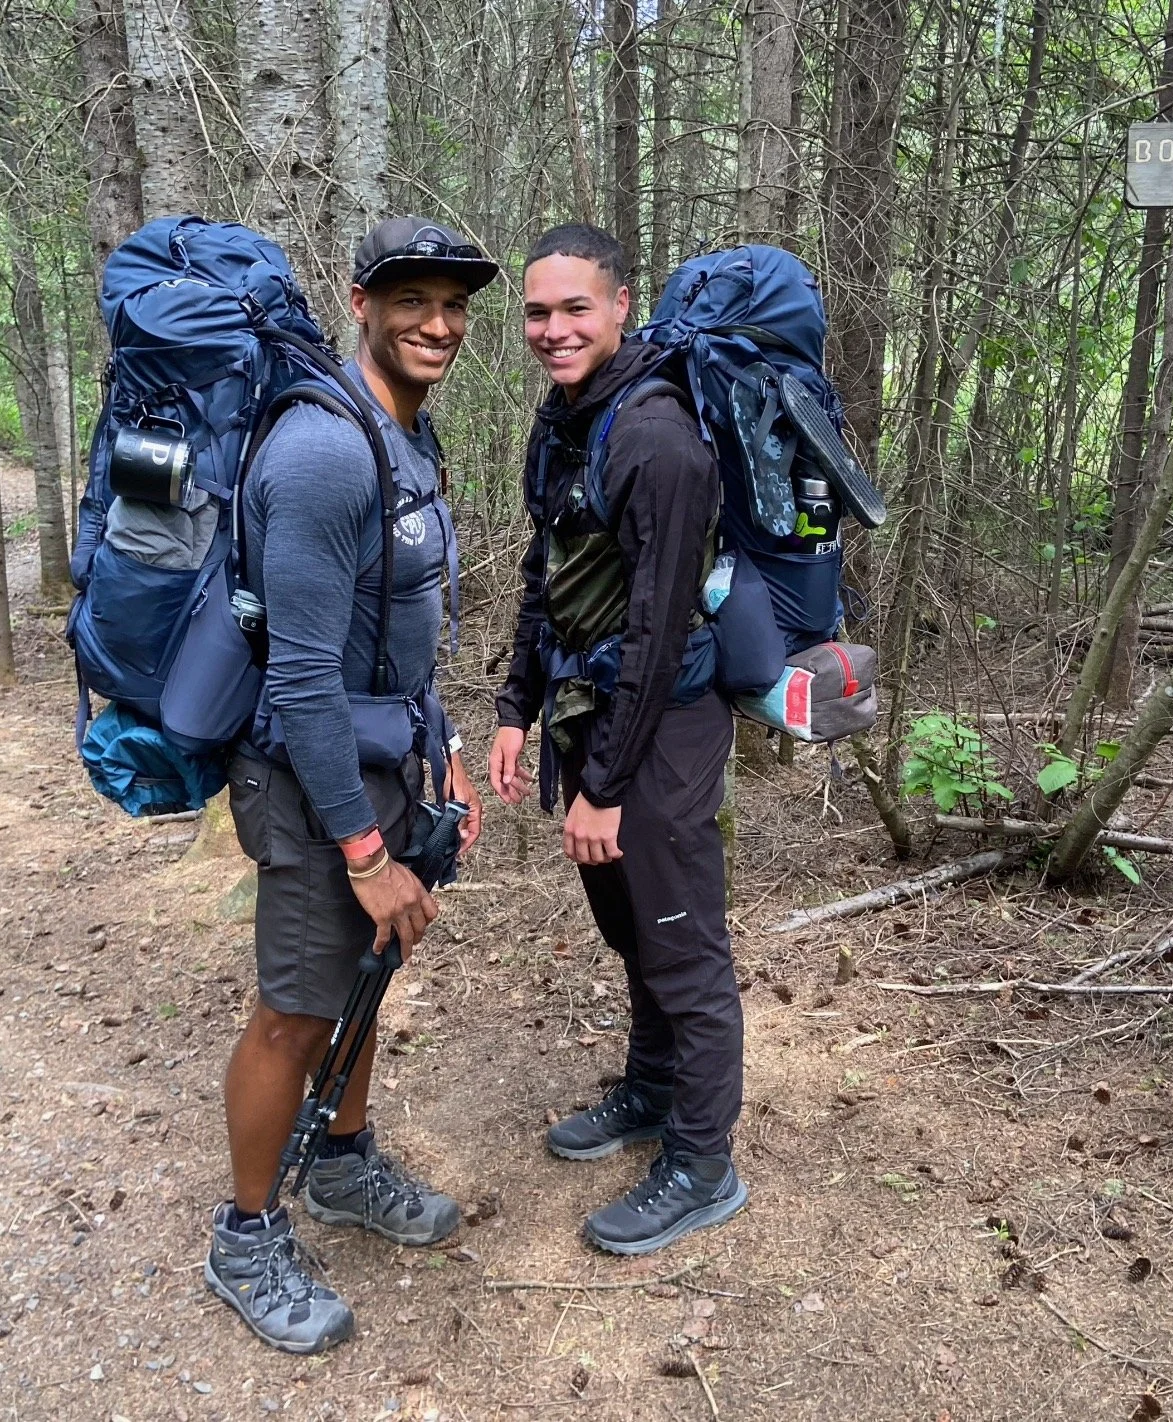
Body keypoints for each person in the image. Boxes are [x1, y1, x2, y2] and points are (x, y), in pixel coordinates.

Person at [206, 217, 494, 1354]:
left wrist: (449, 745)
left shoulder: (402, 438)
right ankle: (243, 1234)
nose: (438, 324)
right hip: (311, 779)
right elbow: (307, 676)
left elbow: (402, 633)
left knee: (360, 978)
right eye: (414, 300)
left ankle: (339, 1164)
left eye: (456, 305)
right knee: (292, 1009)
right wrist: (365, 857)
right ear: (361, 300)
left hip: (385, 761)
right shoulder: (326, 451)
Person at [489, 224, 747, 1256]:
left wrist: (604, 785)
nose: (553, 329)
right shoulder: (565, 422)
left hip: (662, 727)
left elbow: (655, 628)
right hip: (589, 714)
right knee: (632, 929)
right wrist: (513, 707)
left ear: (621, 304)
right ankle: (648, 1091)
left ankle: (702, 1161)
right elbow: (545, 579)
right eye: (538, 313)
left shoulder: (658, 441)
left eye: (574, 309)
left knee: (684, 949)